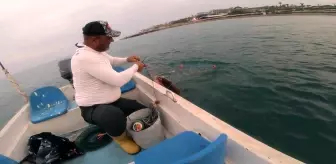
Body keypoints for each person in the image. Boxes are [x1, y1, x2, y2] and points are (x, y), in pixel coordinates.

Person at [71, 20, 146, 155]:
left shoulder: (94, 50)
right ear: (95, 39)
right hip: (92, 108)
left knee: (141, 110)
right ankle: (120, 139)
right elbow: (118, 80)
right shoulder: (85, 57)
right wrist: (136, 67)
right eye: (109, 37)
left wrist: (127, 59)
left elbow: (111, 60)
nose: (111, 40)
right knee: (113, 116)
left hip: (111, 101)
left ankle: (122, 128)